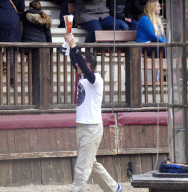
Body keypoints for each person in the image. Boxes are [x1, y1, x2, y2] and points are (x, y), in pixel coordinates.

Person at [64, 32, 122, 192]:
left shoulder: (96, 79)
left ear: (88, 65)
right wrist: (70, 46)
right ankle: (114, 188)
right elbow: (75, 62)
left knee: (82, 166)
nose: (77, 65)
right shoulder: (82, 77)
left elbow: (82, 66)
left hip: (91, 128)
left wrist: (74, 46)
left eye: (82, 62)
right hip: (82, 126)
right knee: (91, 163)